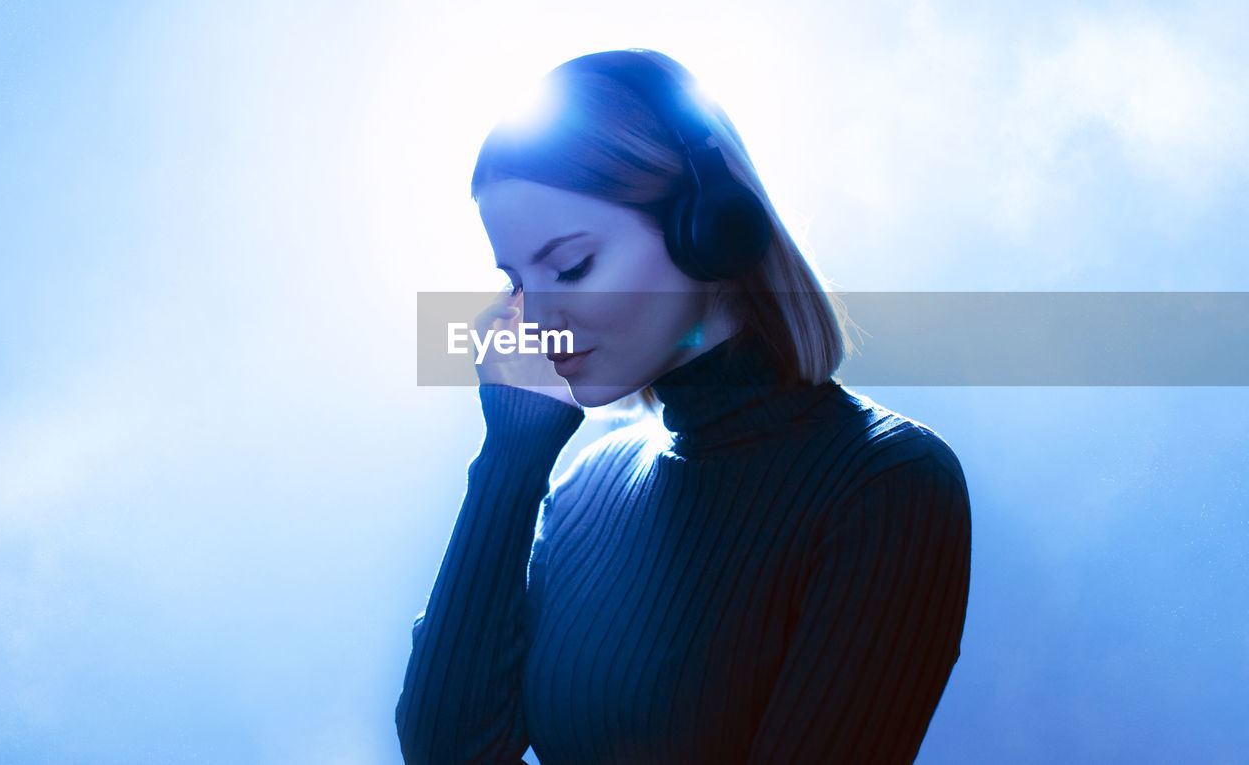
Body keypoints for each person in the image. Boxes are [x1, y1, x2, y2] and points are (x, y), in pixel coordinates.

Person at [395, 48, 972, 764]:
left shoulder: (886, 484)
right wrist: (513, 462)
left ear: (709, 227)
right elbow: (447, 751)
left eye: (571, 265)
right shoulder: (584, 487)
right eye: (517, 280)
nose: (537, 315)